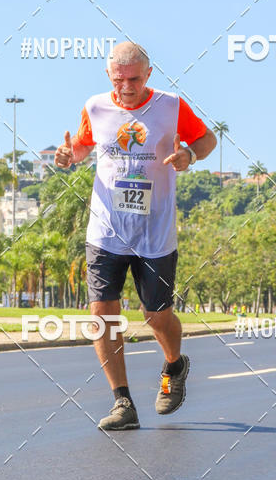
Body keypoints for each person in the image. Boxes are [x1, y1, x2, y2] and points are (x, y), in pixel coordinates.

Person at [54, 41, 217, 429]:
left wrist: (189, 156)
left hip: (154, 231)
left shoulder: (170, 106)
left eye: (134, 79)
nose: (126, 87)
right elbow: (82, 147)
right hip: (106, 230)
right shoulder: (95, 107)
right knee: (102, 314)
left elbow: (207, 140)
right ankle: (122, 403)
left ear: (148, 74)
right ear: (109, 75)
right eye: (119, 79)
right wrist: (68, 156)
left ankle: (174, 366)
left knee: (156, 316)